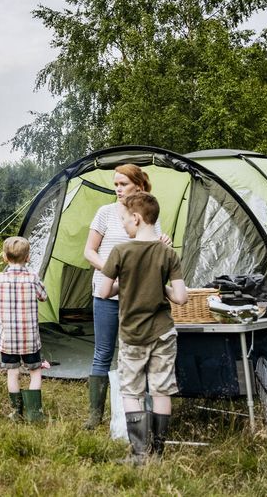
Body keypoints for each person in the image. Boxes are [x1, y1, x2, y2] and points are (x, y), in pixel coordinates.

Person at [95, 193, 188, 463]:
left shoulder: (120, 252)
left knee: (131, 391)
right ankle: (158, 454)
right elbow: (181, 298)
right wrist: (161, 286)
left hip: (133, 334)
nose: (124, 225)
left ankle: (139, 454)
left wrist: (125, 283)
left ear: (136, 218)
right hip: (163, 332)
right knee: (161, 390)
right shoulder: (168, 253)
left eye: (125, 220)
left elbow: (103, 292)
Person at [82, 164, 169, 430]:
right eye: (116, 184)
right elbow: (89, 251)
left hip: (137, 298)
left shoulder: (146, 215)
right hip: (106, 293)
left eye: (123, 184)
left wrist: (163, 244)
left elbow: (153, 254)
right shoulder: (105, 213)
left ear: (138, 187)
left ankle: (133, 415)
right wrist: (111, 272)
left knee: (135, 353)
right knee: (103, 352)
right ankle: (95, 415)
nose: (117, 189)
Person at [0, 235, 50, 422]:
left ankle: (16, 412)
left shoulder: (0, 278)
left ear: (5, 258)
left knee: (12, 373)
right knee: (35, 371)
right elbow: (43, 297)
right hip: (30, 338)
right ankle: (35, 413)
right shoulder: (33, 278)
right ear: (28, 258)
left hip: (8, 340)